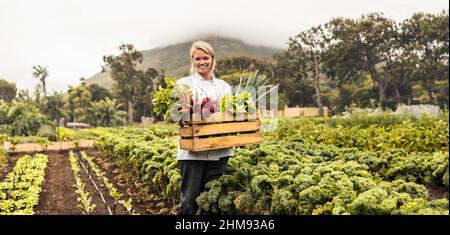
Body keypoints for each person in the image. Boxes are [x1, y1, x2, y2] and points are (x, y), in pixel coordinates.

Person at [175, 41, 233, 215]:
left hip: (220, 152)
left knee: (211, 204)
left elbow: (228, 115)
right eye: (197, 59)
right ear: (192, 61)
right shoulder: (182, 84)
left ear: (212, 59)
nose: (201, 62)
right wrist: (182, 111)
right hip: (191, 153)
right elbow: (171, 116)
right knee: (188, 205)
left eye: (205, 58)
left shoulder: (224, 86)